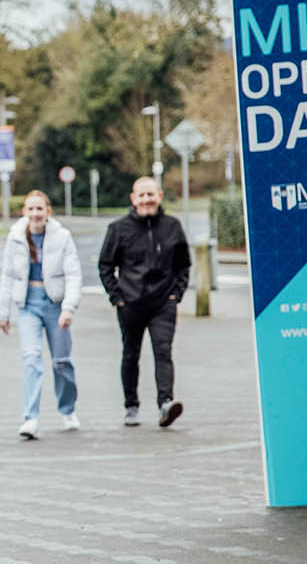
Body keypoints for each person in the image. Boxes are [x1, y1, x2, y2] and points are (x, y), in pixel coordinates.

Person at [99, 177, 190, 428]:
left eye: (151, 194)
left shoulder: (172, 226)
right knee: (131, 355)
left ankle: (165, 404)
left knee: (163, 351)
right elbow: (106, 265)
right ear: (133, 199)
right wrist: (117, 298)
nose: (147, 199)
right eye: (142, 195)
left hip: (163, 303)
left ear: (160, 195)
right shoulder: (118, 229)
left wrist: (176, 295)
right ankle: (131, 406)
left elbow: (183, 265)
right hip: (130, 303)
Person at [0, 191, 83, 440]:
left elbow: (74, 274)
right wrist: (4, 312)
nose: (35, 214)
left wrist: (68, 308)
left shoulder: (62, 237)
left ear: (48, 211)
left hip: (55, 304)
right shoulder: (15, 237)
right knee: (31, 358)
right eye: (30, 209)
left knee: (61, 361)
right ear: (24, 211)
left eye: (39, 209)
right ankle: (30, 417)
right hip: (28, 305)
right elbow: (8, 276)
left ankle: (67, 409)